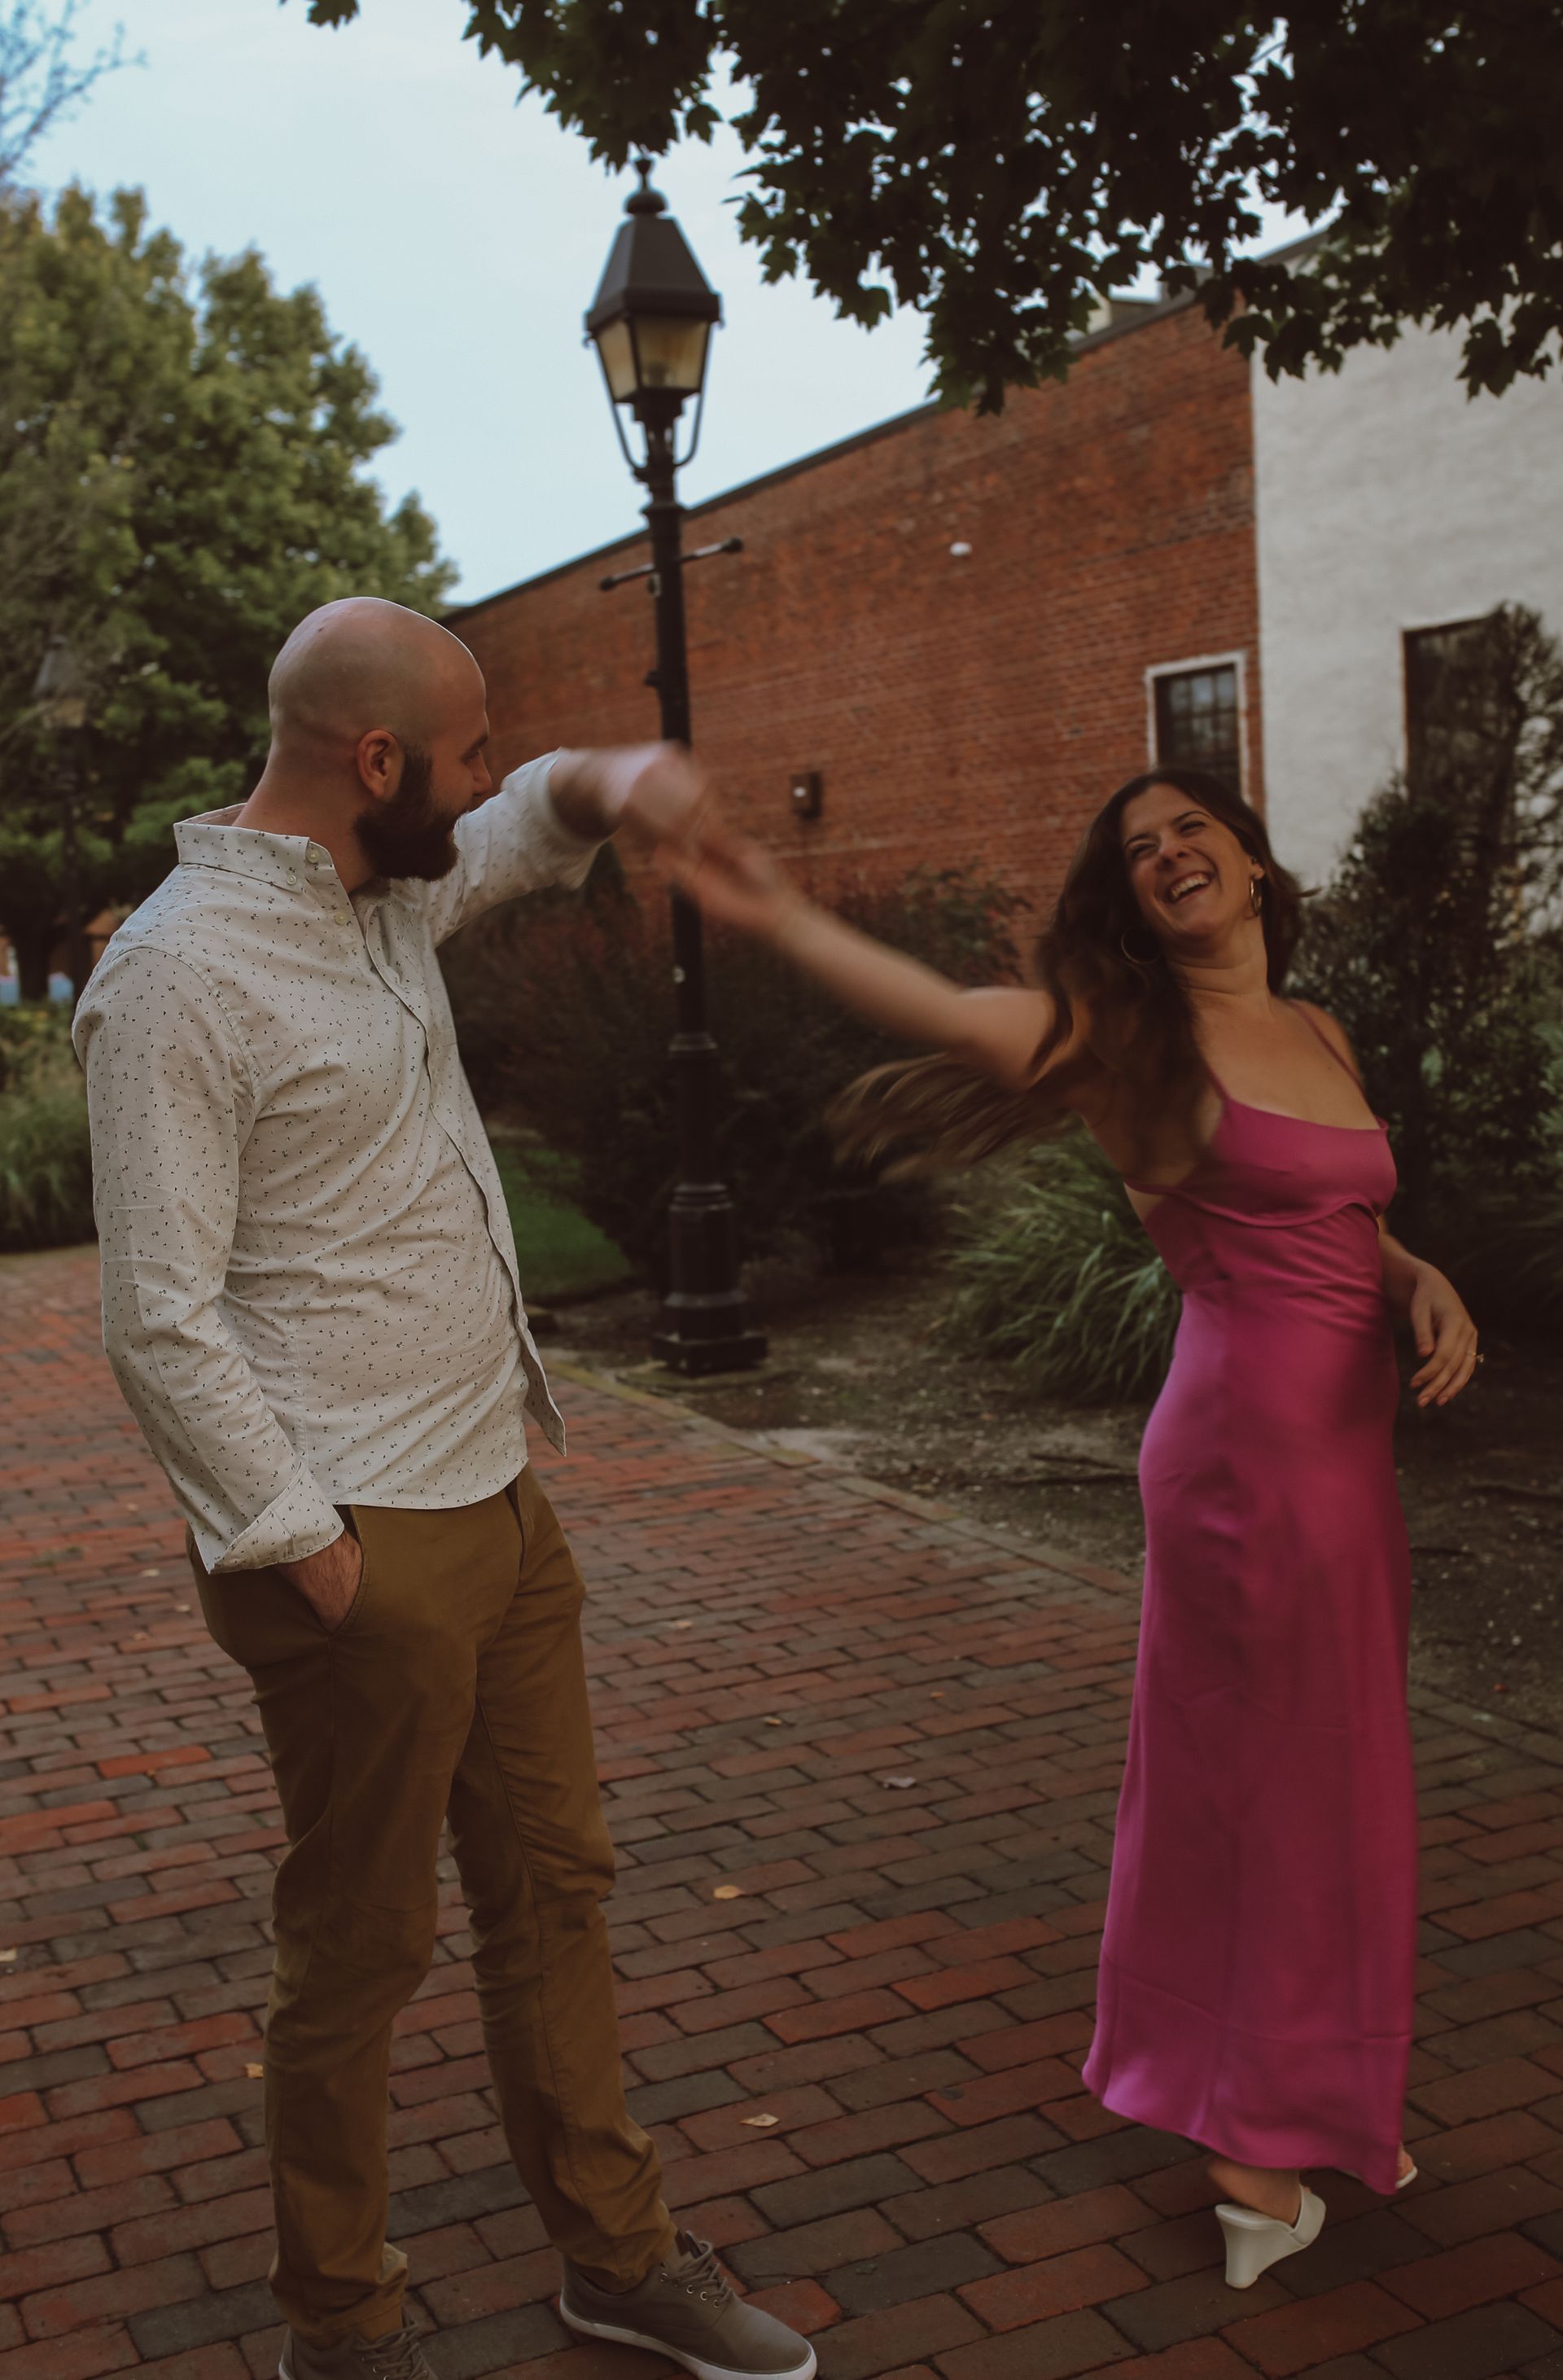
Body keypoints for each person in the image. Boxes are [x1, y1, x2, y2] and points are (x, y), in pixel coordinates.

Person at [73, 599, 817, 2380]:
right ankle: (340, 2326)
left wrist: (606, 773)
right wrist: (315, 1552)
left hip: (498, 1495)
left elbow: (519, 829)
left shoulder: (382, 883)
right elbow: (156, 1320)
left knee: (556, 1884)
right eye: (468, 745)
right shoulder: (175, 979)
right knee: (357, 1947)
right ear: (376, 761)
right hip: (351, 1542)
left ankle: (616, 2255)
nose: (484, 777)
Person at [670, 765, 1478, 2290]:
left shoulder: (1320, 1033)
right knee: (1253, 1787)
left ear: (1250, 859)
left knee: (1334, 1774)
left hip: (1343, 1464)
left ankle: (1311, 2096)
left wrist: (1419, 1280)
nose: (1173, 854)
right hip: (1247, 1465)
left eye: (1195, 831)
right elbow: (956, 1014)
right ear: (1133, 900)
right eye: (1139, 850)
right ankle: (1250, 2146)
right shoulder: (1133, 1040)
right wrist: (772, 910)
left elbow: (1341, 1226)